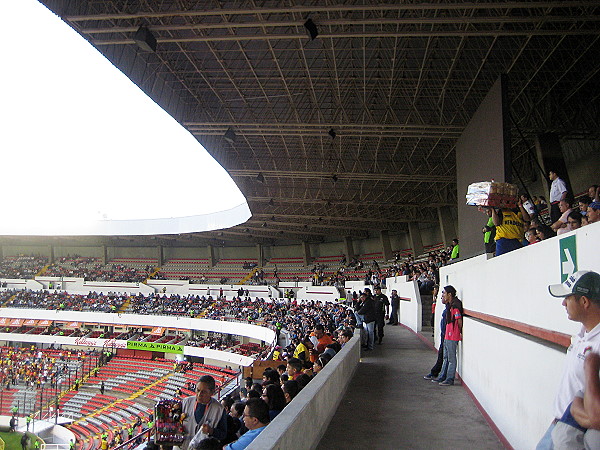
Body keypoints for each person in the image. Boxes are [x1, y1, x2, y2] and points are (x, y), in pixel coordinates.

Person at [536, 270, 600, 449]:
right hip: (558, 427)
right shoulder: (583, 333)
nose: (563, 303)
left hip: (575, 437)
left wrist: (577, 411)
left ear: (584, 302)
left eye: (568, 298)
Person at [182, 375, 228, 450]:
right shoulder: (186, 402)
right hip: (182, 447)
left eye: (203, 392)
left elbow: (223, 434)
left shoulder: (219, 409)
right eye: (198, 390)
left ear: (212, 392)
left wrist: (211, 431)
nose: (199, 394)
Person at [434, 286, 463, 386]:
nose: (443, 295)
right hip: (447, 335)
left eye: (444, 293)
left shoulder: (455, 306)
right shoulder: (450, 305)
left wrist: (459, 331)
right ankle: (443, 376)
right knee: (446, 357)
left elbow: (459, 320)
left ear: (449, 294)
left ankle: (450, 378)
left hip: (452, 335)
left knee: (451, 358)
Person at [423, 288, 450, 381]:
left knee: (444, 356)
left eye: (443, 294)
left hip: (447, 336)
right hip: (445, 335)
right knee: (443, 355)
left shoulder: (452, 307)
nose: (442, 296)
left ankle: (440, 374)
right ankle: (439, 373)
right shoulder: (448, 306)